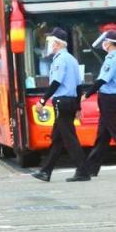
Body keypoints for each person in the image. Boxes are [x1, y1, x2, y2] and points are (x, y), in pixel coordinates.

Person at [68, 30, 116, 181]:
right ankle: (91, 168)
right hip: (115, 99)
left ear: (108, 43)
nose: (103, 44)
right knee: (102, 136)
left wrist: (87, 94)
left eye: (105, 41)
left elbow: (102, 80)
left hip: (108, 99)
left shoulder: (111, 60)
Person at [31, 28, 84, 182]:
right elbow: (79, 85)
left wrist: (42, 100)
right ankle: (46, 171)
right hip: (71, 101)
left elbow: (56, 82)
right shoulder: (72, 59)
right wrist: (78, 106)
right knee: (58, 138)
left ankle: (83, 170)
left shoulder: (60, 59)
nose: (50, 45)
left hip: (62, 101)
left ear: (57, 43)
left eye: (51, 42)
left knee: (69, 138)